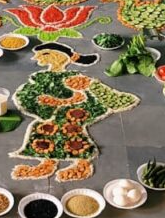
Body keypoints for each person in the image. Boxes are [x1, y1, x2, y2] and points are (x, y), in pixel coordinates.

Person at [10, 43, 138, 182]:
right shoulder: (41, 77)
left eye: (45, 54)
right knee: (43, 127)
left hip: (82, 107)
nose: (37, 57)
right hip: (55, 109)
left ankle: (82, 165)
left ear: (61, 57)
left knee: (68, 124)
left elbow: (81, 96)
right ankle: (47, 163)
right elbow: (31, 91)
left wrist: (58, 102)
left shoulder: (73, 77)